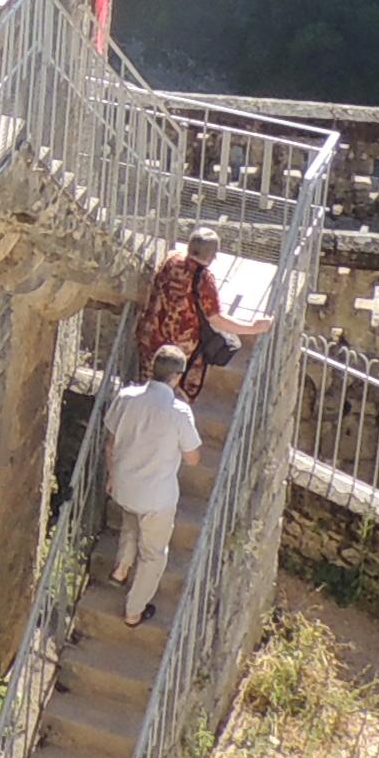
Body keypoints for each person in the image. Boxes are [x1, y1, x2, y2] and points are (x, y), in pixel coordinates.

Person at [101, 342, 204, 626]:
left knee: (131, 517)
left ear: (153, 368)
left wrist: (111, 475)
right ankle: (134, 610)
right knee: (153, 555)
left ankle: (121, 567)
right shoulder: (179, 412)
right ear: (178, 376)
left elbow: (110, 444)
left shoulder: (126, 397)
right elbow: (194, 458)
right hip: (157, 496)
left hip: (123, 484)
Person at [132, 232, 237, 402]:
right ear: (211, 256)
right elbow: (216, 318)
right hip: (178, 349)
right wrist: (255, 327)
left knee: (146, 387)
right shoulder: (203, 278)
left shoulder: (171, 259)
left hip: (150, 336)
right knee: (171, 394)